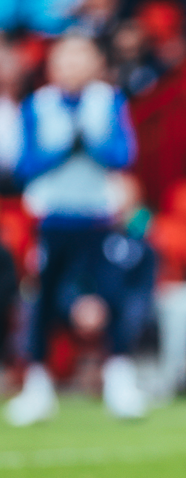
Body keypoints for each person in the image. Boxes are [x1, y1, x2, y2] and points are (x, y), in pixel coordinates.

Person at [7, 34, 148, 426]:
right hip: (53, 219)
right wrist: (65, 148)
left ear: (95, 63)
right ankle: (37, 387)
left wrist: (91, 144)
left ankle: (119, 382)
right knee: (43, 302)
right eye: (64, 60)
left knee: (113, 296)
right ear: (52, 66)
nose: (71, 67)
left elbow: (123, 155)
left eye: (80, 58)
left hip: (98, 218)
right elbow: (24, 166)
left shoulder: (109, 100)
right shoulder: (39, 105)